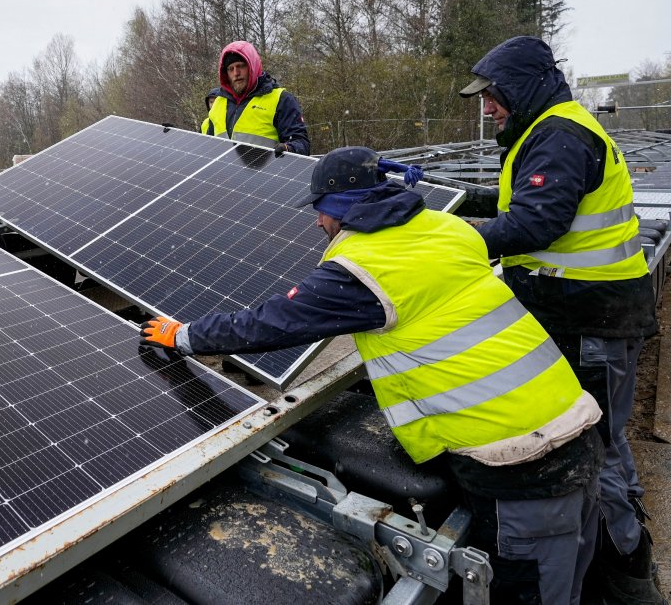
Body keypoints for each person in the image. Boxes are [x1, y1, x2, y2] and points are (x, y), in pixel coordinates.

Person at [139, 146, 604, 604]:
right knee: (573, 570)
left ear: (341, 208)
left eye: (320, 210)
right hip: (571, 418)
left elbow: (269, 323)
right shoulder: (449, 228)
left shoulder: (361, 271)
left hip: (516, 459)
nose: (317, 221)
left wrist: (182, 336)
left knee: (531, 591)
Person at [458, 36, 661, 604]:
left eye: (493, 95)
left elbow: (532, 225)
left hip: (589, 321)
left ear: (520, 88)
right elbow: (518, 203)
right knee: (605, 442)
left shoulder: (558, 135)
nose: (487, 107)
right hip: (590, 314)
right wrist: (447, 199)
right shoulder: (550, 130)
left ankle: (626, 577)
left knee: (596, 446)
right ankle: (621, 560)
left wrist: (443, 240)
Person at [205, 40, 309, 156]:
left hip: (270, 172)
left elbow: (301, 143)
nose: (236, 73)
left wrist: (289, 148)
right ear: (226, 73)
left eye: (241, 66)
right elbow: (209, 149)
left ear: (252, 66)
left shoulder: (281, 99)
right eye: (231, 68)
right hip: (224, 173)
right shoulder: (218, 103)